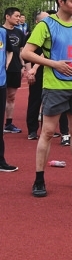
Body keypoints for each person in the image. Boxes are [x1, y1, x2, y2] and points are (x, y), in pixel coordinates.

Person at [22, 0, 72, 197]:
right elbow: (26, 53)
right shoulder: (46, 25)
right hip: (55, 86)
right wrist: (54, 64)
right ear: (60, 2)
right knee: (47, 132)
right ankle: (39, 179)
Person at [25, 11, 49, 140]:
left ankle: (47, 130)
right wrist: (30, 72)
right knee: (34, 101)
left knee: (48, 103)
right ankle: (32, 130)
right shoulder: (31, 35)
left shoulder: (51, 35)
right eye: (44, 20)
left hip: (50, 72)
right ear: (37, 22)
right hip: (36, 73)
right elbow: (26, 56)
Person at [3, 7, 25, 134]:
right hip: (2, 68)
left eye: (19, 16)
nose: (18, 18)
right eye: (16, 16)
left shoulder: (19, 33)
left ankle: (9, 124)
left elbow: (21, 51)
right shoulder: (1, 31)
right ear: (7, 16)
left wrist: (23, 66)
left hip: (15, 68)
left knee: (11, 97)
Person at [0, 24, 18, 172]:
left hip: (1, 82)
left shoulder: (2, 32)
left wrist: (5, 64)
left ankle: (0, 161)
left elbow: (10, 50)